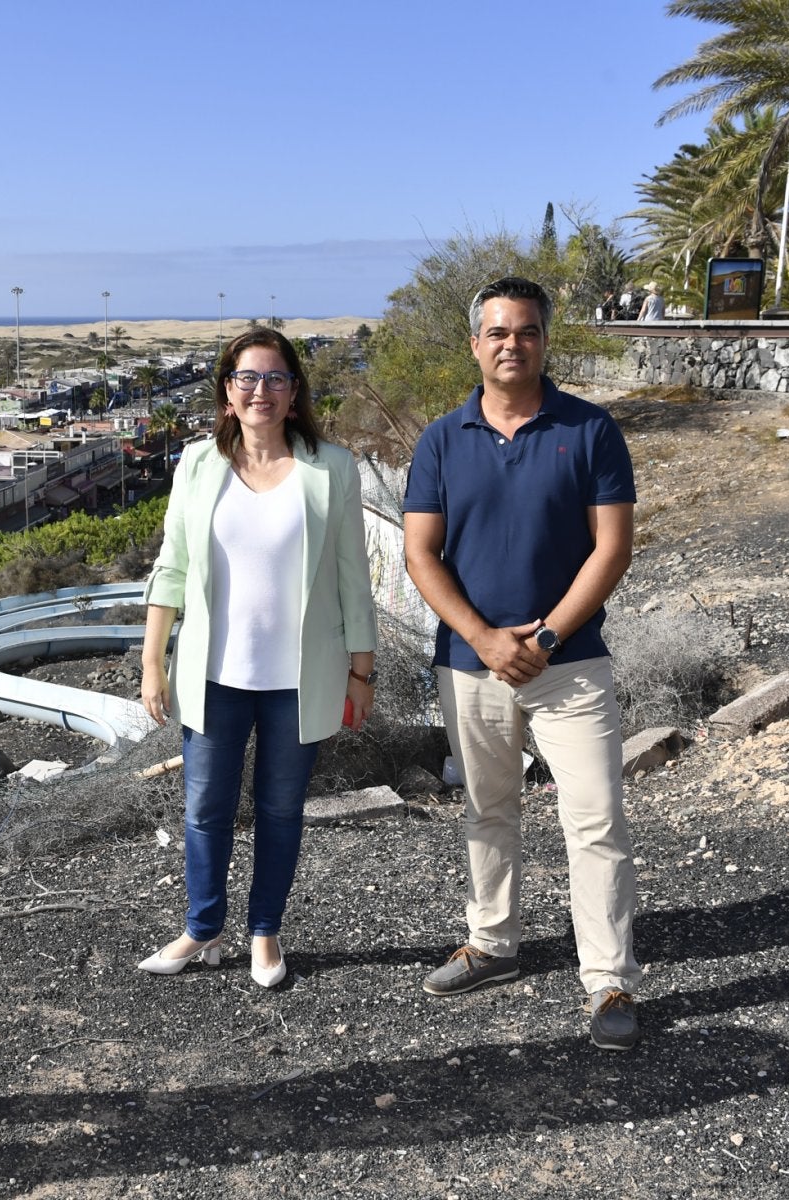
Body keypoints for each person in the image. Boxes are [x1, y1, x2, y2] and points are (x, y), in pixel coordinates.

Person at [401, 276, 642, 1051]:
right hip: (470, 665)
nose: (513, 344)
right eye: (498, 332)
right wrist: (483, 638)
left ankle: (608, 980)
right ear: (475, 344)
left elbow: (612, 548)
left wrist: (545, 640)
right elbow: (421, 553)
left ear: (544, 340)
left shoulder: (591, 429)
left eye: (527, 331)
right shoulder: (442, 440)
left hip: (570, 663)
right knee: (488, 809)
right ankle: (492, 943)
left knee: (596, 817)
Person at [139, 327, 377, 989]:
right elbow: (171, 567)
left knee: (279, 811)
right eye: (247, 377)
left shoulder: (331, 468)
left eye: (275, 378)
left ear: (294, 392)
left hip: (300, 679)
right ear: (227, 390)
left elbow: (353, 578)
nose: (260, 390)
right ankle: (203, 928)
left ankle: (264, 932)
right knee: (204, 811)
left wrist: (362, 671)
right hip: (214, 675)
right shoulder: (197, 464)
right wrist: (153, 661)